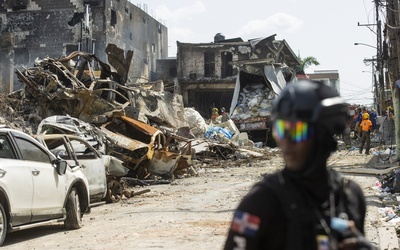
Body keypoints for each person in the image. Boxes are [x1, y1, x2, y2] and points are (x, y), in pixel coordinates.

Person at [224, 80, 376, 250]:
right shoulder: (260, 202)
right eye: (281, 130)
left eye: (297, 131)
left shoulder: (349, 197)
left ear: (323, 136)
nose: (287, 143)